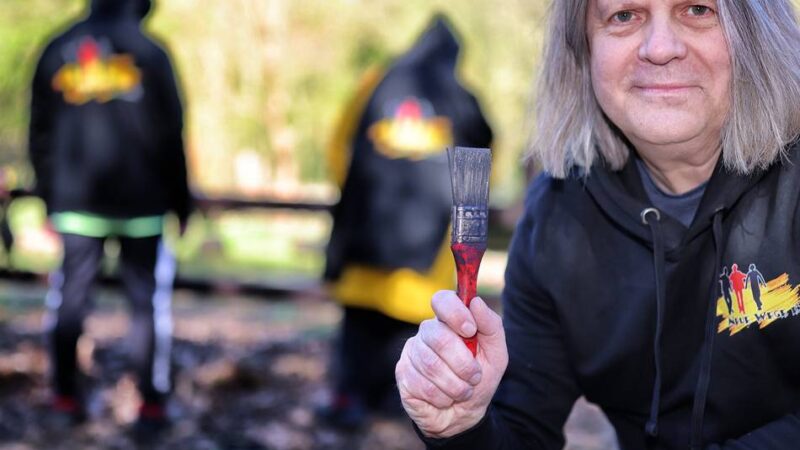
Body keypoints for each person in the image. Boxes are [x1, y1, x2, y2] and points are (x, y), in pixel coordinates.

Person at [395, 0, 800, 448]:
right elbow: (522, 429)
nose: (660, 48)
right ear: (583, 53)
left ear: (758, 36)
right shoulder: (558, 217)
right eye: (624, 16)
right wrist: (462, 426)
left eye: (698, 9)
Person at [321, 14, 493, 428]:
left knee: (358, 332)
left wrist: (354, 194)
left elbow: (337, 146)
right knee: (407, 337)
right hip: (424, 255)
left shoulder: (376, 82)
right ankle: (399, 407)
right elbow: (484, 164)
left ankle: (349, 400)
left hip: (365, 242)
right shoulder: (462, 97)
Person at [28, 0, 191, 432]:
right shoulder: (152, 52)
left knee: (70, 297)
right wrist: (181, 202)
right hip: (144, 206)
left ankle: (64, 397)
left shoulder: (56, 47)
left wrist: (49, 198)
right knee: (146, 305)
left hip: (77, 206)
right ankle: (151, 406)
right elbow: (172, 134)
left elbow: (38, 133)